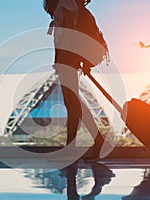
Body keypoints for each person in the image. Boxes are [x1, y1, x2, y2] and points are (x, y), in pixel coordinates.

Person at [44, 0, 105, 162]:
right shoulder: (70, 6)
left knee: (72, 103)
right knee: (72, 103)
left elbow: (70, 35)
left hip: (68, 59)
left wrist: (64, 61)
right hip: (67, 59)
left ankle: (93, 141)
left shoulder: (66, 5)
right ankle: (79, 146)